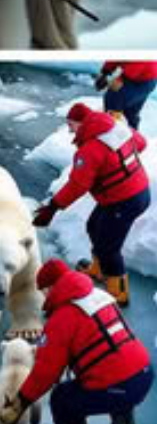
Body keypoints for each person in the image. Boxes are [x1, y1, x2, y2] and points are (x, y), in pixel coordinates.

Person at [0, 259, 152, 424]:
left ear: (53, 286)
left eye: (44, 290)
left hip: (119, 386)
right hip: (144, 373)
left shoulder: (61, 318)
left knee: (63, 400)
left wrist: (20, 404)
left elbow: (45, 373)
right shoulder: (99, 295)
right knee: (115, 375)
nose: (44, 297)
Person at [32, 103, 150, 307]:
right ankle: (98, 270)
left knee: (109, 247)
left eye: (71, 125)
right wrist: (116, 163)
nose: (69, 130)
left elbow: (78, 185)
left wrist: (53, 207)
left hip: (126, 200)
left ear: (82, 122)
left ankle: (119, 292)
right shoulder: (116, 127)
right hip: (127, 194)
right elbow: (140, 143)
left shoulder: (90, 150)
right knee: (94, 226)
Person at [96, 60, 157, 130]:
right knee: (112, 98)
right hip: (134, 74)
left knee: (118, 103)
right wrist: (105, 73)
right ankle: (112, 127)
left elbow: (138, 65)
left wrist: (121, 79)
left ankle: (117, 130)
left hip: (144, 80)